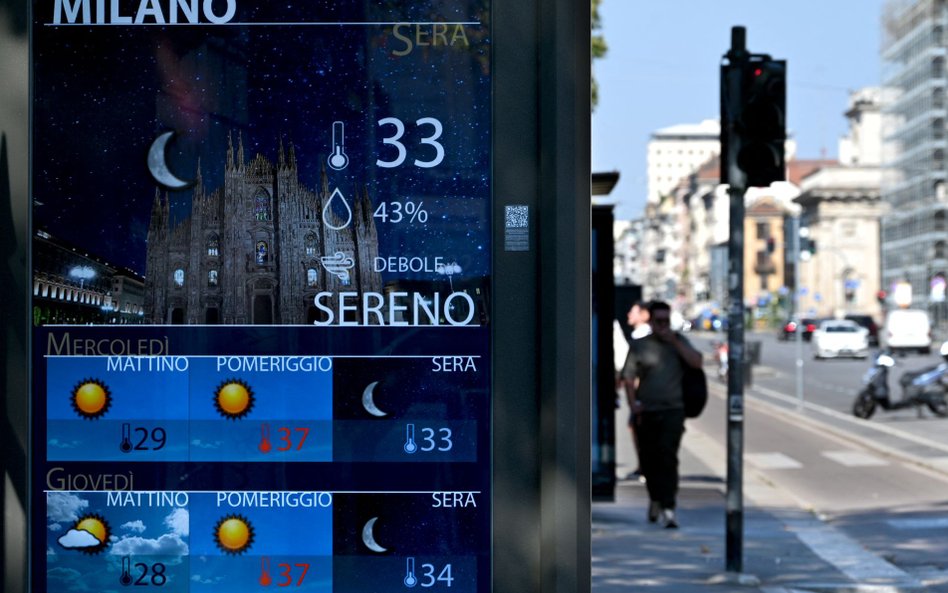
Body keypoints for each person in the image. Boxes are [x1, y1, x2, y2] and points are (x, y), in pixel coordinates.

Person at [620, 300, 702, 528]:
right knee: (649, 460)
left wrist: (675, 342)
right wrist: (633, 404)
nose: (663, 326)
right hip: (647, 411)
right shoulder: (640, 346)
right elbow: (628, 378)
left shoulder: (678, 342)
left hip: (673, 410)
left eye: (667, 321)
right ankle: (655, 499)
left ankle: (668, 505)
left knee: (668, 457)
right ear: (651, 321)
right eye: (659, 321)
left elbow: (697, 362)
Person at [623, 301, 650, 480]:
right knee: (635, 427)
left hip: (643, 395)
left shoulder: (642, 337)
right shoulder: (639, 335)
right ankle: (643, 466)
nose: (628, 315)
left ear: (644, 315)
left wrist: (635, 399)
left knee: (640, 429)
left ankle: (644, 467)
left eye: (633, 312)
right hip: (641, 395)